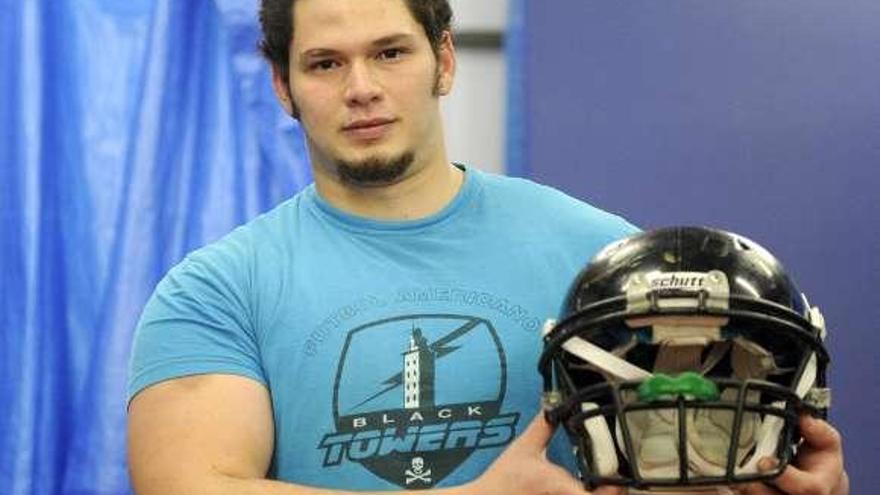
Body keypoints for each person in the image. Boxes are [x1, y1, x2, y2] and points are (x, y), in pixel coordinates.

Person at [125, 1, 848, 494]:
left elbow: (685, 450)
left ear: (443, 60)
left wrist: (774, 476)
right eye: (325, 64)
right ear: (282, 85)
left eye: (390, 52)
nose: (363, 88)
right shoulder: (216, 290)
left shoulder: (601, 253)